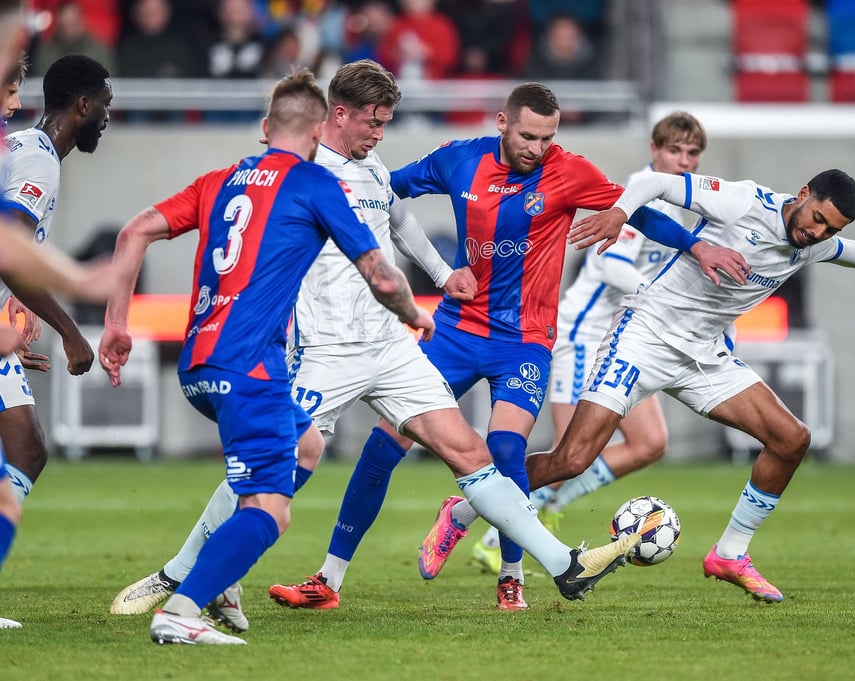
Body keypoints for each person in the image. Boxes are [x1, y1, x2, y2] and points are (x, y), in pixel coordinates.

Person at [108, 59, 642, 624]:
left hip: (390, 347)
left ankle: (565, 565)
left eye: (386, 123)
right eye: (374, 123)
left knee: (471, 453)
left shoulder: (368, 165)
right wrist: (416, 309)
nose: (380, 134)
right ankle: (181, 572)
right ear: (338, 116)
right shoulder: (303, 172)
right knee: (282, 460)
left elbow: (397, 217)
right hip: (329, 349)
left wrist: (441, 277)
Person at [282, 82, 747, 611]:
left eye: (547, 137)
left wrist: (696, 243)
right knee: (384, 444)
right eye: (528, 134)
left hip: (524, 340)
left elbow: (635, 211)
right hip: (457, 330)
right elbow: (389, 192)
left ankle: (511, 576)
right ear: (502, 122)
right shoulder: (460, 160)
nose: (537, 147)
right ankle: (329, 579)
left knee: (505, 450)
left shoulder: (569, 171)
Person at [524, 168, 855, 602]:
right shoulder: (744, 202)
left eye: (831, 230)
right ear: (803, 195)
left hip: (702, 355)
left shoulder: (812, 245)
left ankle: (729, 553)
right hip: (644, 337)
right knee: (572, 459)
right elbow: (652, 180)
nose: (819, 233)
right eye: (818, 219)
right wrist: (620, 212)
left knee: (791, 439)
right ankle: (468, 507)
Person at [469, 111, 710, 573]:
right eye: (674, 150)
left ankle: (542, 511)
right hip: (583, 333)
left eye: (692, 152)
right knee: (569, 454)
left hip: (626, 339)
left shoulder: (689, 201)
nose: (683, 160)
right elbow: (613, 264)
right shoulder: (645, 192)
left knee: (650, 443)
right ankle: (492, 533)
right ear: (654, 150)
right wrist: (655, 295)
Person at [0, 55, 111, 526]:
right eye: (106, 105)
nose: (108, 117)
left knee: (26, 449)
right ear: (83, 105)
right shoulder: (38, 159)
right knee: (27, 450)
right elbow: (9, 248)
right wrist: (68, 330)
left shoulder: (23, 147)